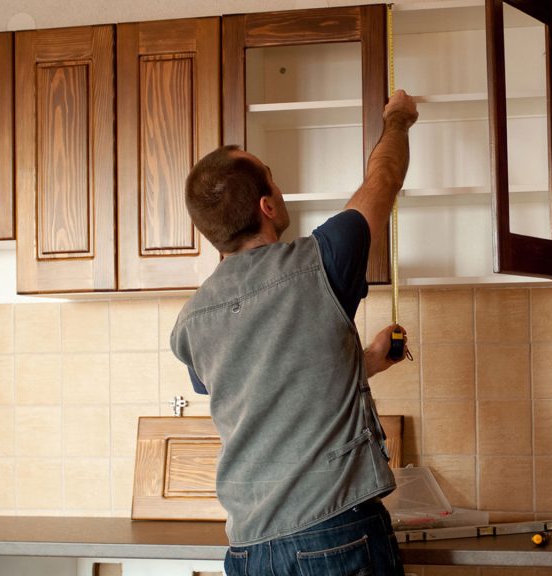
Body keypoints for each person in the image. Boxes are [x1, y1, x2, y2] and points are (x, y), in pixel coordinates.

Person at [170, 89, 418, 576]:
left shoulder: (191, 323)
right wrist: (399, 121)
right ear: (267, 205)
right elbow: (383, 180)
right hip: (336, 535)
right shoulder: (321, 262)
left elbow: (267, 384)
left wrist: (363, 362)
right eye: (273, 178)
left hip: (250, 553)